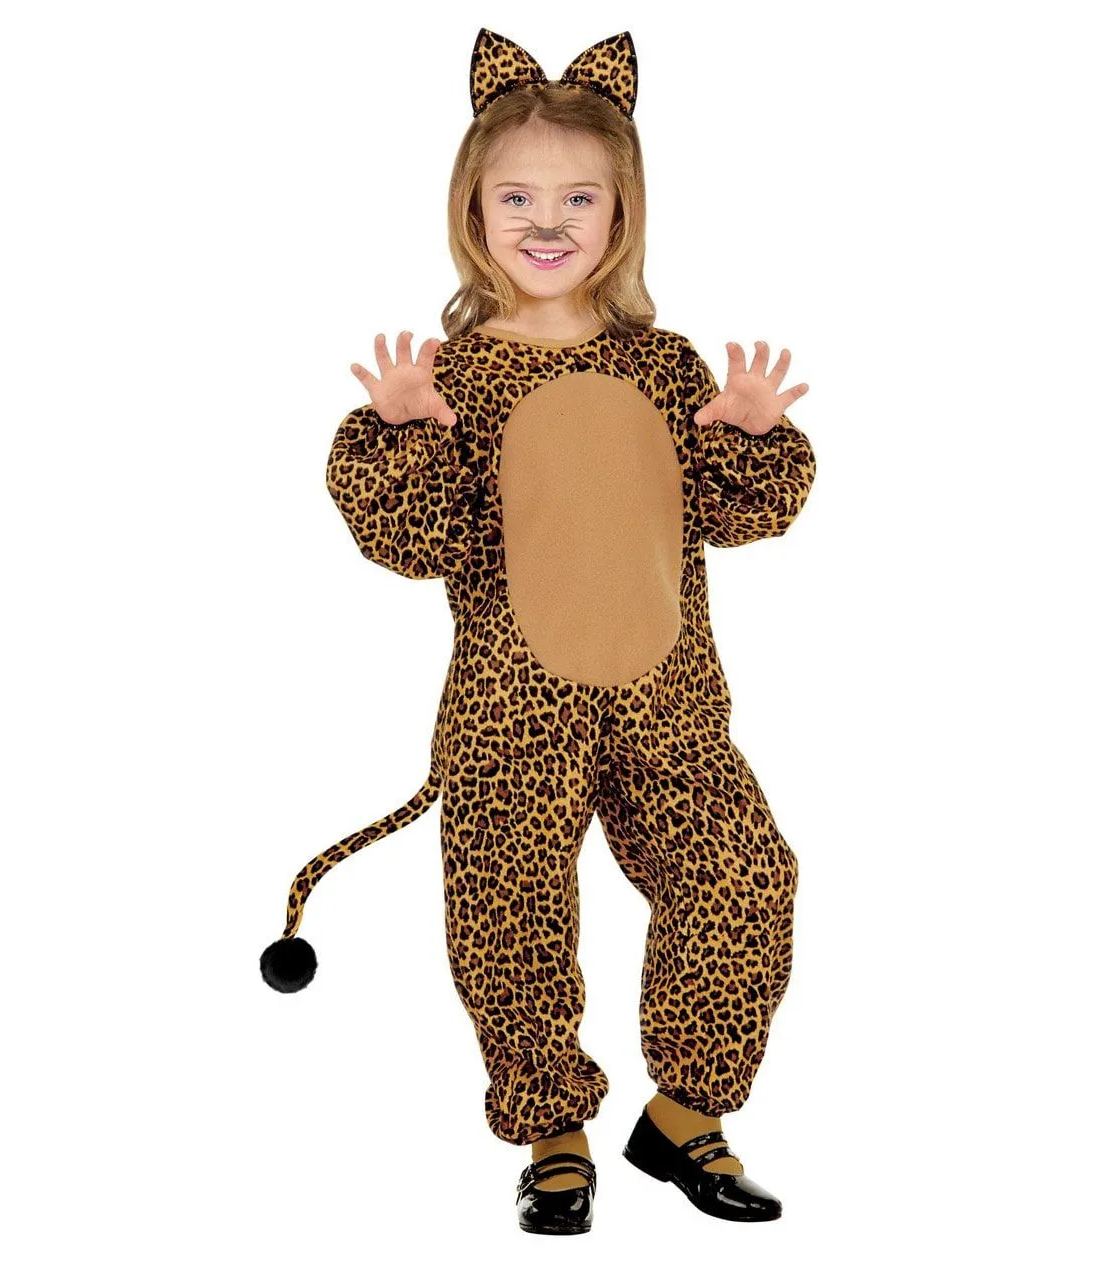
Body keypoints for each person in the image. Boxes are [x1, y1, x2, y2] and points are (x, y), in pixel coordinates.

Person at [261, 28, 817, 1235]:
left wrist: (747, 434)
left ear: (621, 213)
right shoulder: (454, 377)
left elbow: (733, 514)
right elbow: (414, 541)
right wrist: (402, 431)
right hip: (510, 710)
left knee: (742, 873)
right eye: (516, 197)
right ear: (472, 210)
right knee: (508, 914)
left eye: (578, 197)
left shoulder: (663, 367)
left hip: (670, 702)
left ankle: (682, 1117)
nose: (546, 221)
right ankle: (550, 1129)